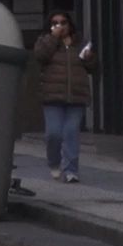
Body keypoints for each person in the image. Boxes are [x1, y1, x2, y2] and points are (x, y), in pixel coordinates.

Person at [34, 10, 97, 184]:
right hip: (53, 96)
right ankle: (54, 162)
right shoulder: (45, 41)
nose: (60, 26)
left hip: (76, 96)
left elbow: (92, 66)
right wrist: (54, 38)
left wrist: (89, 57)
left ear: (70, 25)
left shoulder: (79, 43)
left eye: (63, 22)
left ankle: (71, 170)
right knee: (53, 133)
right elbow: (40, 56)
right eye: (55, 23)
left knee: (71, 132)